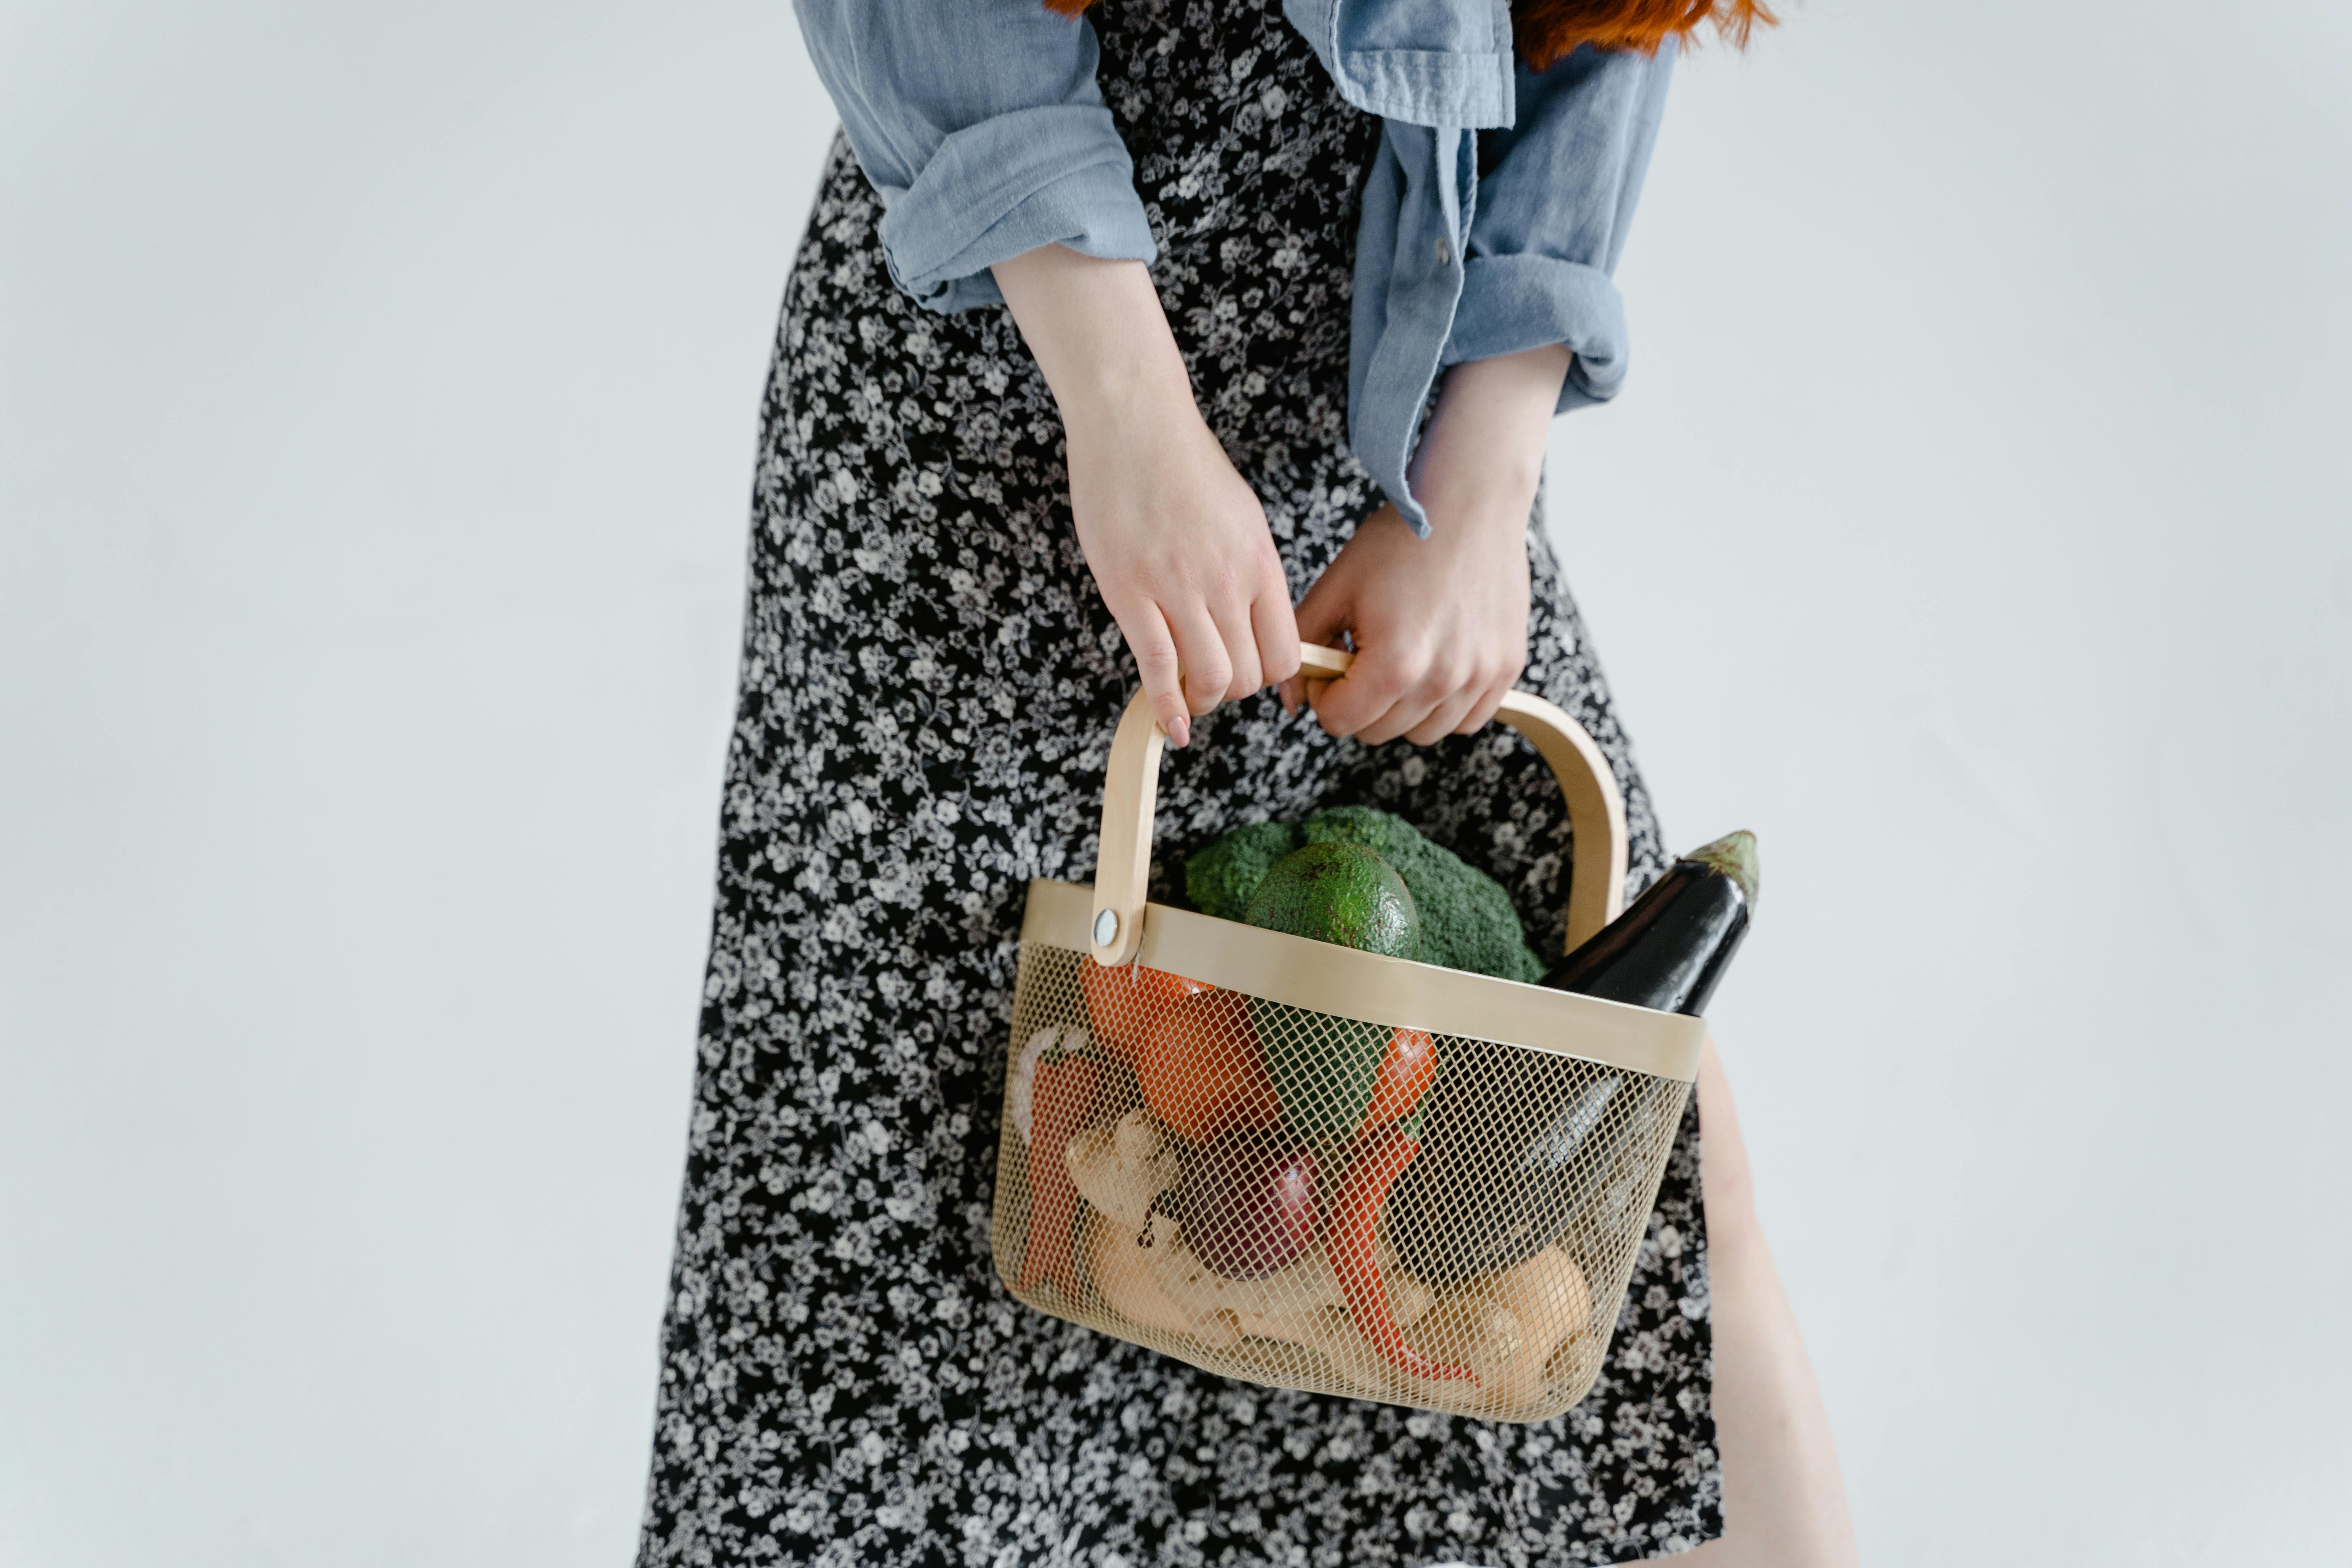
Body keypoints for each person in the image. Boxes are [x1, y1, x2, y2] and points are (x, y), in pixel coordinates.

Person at [637, 0, 1857, 1562]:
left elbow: (1603, 24)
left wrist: (1487, 471)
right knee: (942, 1259)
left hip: (1385, 447)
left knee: (1629, 1171)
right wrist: (1125, 410)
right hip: (1003, 409)